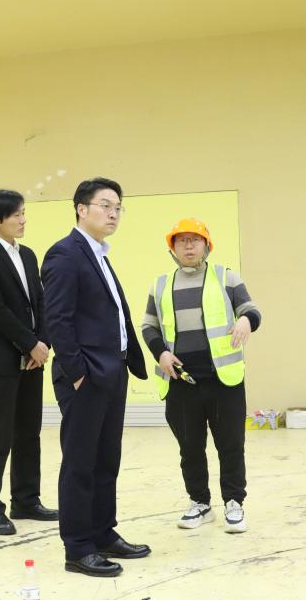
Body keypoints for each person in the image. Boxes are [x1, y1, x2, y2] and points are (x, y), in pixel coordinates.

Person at [41, 177, 149, 577]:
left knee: (106, 460)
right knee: (80, 463)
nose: (113, 213)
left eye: (118, 207)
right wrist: (77, 374)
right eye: (105, 205)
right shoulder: (65, 254)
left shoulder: (99, 254)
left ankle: (103, 533)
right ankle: (78, 547)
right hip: (86, 376)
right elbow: (57, 318)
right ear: (81, 209)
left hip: (112, 371)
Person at [141, 218, 261, 534]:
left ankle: (234, 502)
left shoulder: (226, 277)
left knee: (231, 445)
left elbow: (251, 310)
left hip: (223, 380)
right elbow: (149, 326)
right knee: (190, 448)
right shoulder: (160, 285)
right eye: (181, 241)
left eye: (195, 240)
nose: (189, 246)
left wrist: (246, 321)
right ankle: (200, 503)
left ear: (207, 245)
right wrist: (160, 353)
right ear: (173, 248)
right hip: (181, 382)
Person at [0, 189, 56, 536]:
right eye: (16, 214)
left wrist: (43, 342)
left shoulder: (28, 255)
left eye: (23, 213)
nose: (23, 220)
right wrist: (29, 343)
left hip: (34, 359)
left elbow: (41, 303)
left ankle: (26, 500)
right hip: (2, 360)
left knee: (29, 432)